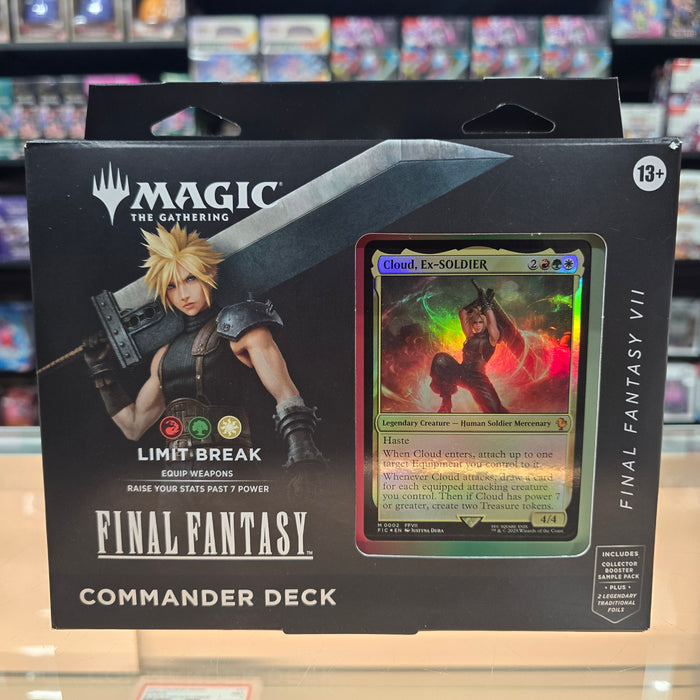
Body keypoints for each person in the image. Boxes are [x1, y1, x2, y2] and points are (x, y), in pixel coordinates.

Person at [83, 222, 322, 470]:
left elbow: (285, 393)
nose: (183, 294)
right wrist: (101, 370)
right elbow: (133, 427)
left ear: (210, 275)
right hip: (177, 478)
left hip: (231, 470)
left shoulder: (242, 330)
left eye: (190, 278)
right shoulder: (164, 355)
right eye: (171, 286)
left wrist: (303, 451)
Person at [429, 283, 508, 414]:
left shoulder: (492, 338)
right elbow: (463, 313)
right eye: (475, 323)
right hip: (462, 373)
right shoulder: (470, 336)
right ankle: (446, 404)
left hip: (478, 380)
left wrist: (486, 304)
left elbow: (491, 324)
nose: (477, 325)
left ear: (485, 322)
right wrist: (479, 300)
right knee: (440, 359)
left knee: (495, 411)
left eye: (480, 322)